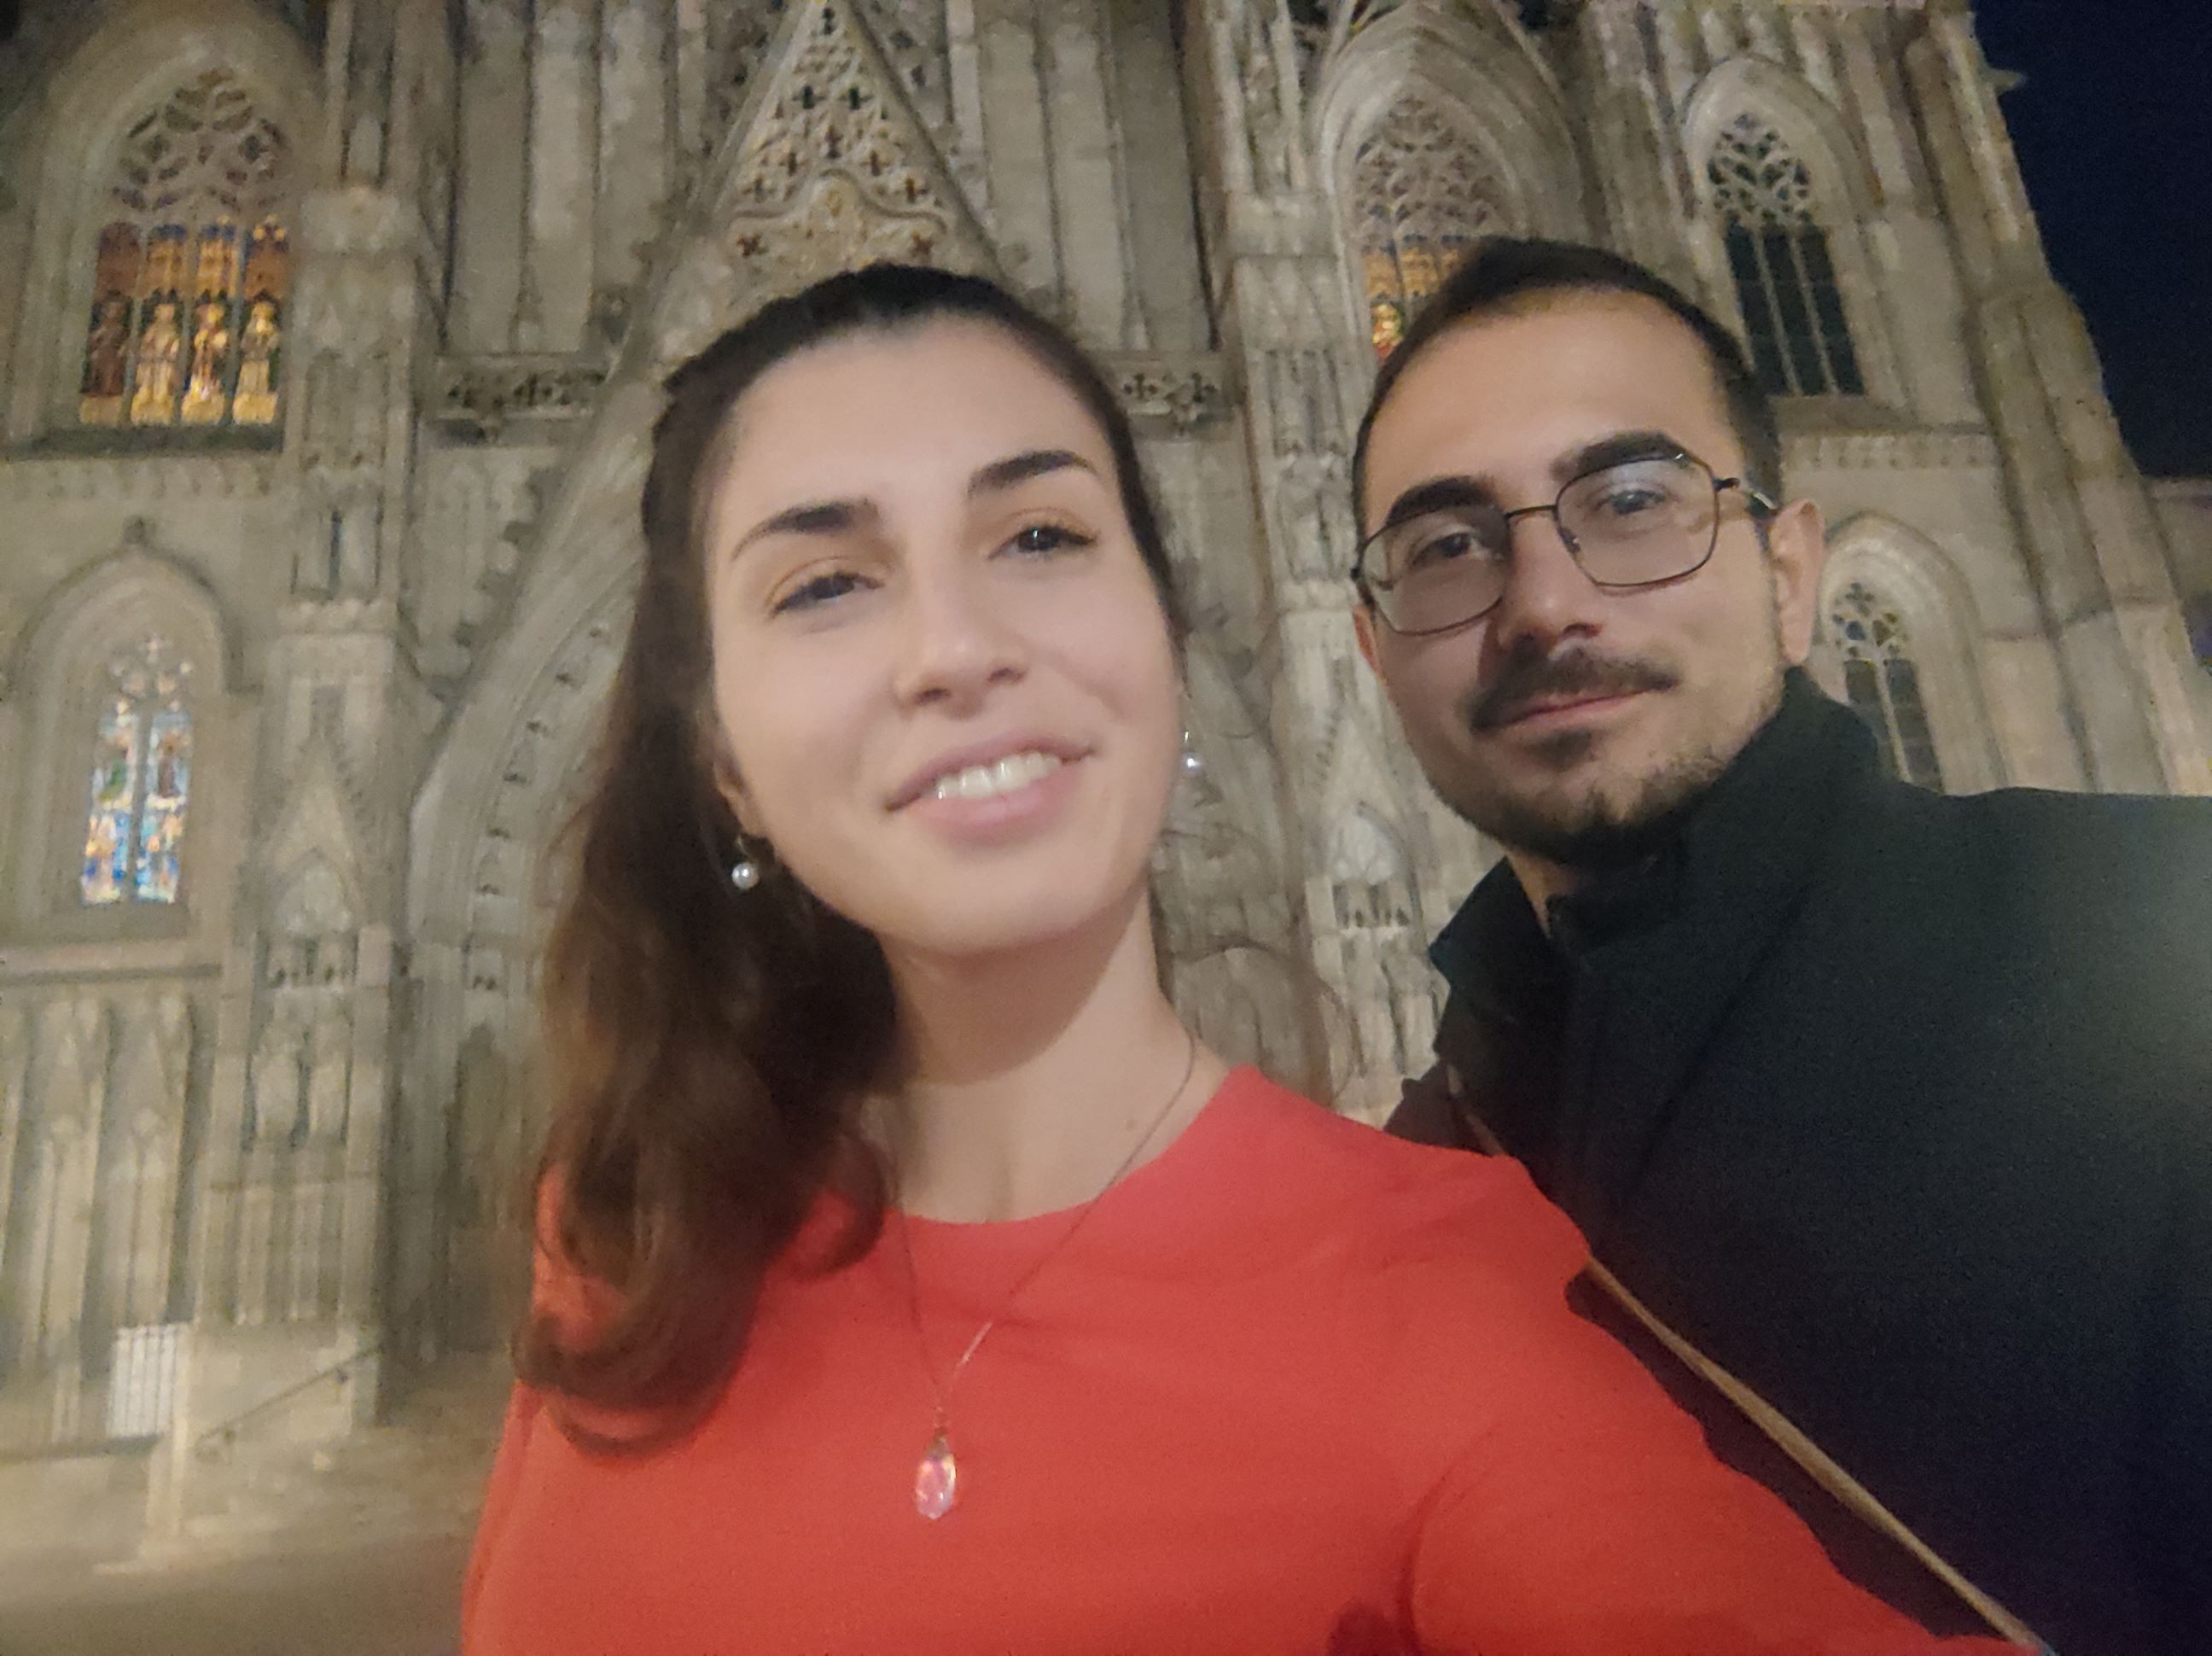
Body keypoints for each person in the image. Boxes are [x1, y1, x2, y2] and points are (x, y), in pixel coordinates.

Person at [461, 263, 2024, 1655]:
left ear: (1167, 643)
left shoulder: (1435, 1300)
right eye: (822, 583)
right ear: (722, 759)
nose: (954, 648)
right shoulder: (626, 1231)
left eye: (1042, 535)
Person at [1351, 236, 2212, 1656]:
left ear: (1792, 573)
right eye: (1449, 547)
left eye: (1633, 502)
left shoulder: (2166, 944)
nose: (1546, 602)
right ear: (1378, 657)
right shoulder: (1425, 1185)